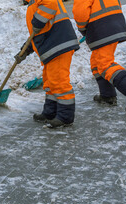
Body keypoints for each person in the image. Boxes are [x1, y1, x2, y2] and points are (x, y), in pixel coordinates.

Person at [73, 0, 126, 113]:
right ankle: (107, 96)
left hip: (101, 25)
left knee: (104, 63)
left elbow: (80, 12)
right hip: (114, 21)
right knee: (96, 61)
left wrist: (83, 29)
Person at [15, 0, 80, 128]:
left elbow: (50, 5)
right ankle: (50, 112)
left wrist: (37, 21)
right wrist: (25, 50)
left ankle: (65, 117)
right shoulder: (33, 3)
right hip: (52, 46)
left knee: (59, 81)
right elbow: (38, 32)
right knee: (50, 82)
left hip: (59, 43)